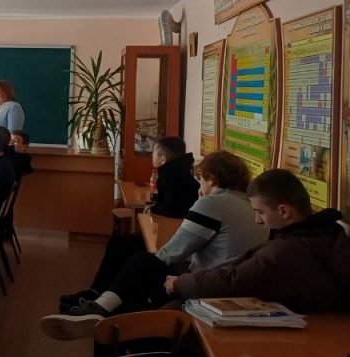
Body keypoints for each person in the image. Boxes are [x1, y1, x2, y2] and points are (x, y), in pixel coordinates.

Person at [41, 151, 268, 338]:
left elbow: (172, 254)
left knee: (142, 263)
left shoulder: (213, 203)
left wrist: (152, 269)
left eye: (200, 180)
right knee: (136, 266)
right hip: (234, 289)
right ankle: (100, 309)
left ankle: (99, 312)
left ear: (212, 178)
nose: (199, 186)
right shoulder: (247, 204)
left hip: (205, 290)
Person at [166, 169, 350, 313]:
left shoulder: (289, 250)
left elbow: (232, 282)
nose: (257, 220)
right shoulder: (325, 233)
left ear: (284, 211)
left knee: (171, 314)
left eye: (260, 212)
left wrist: (179, 283)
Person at [59, 136, 199, 311]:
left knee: (123, 247)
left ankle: (100, 294)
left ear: (163, 159)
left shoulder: (171, 174)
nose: (151, 156)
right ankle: (101, 293)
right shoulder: (180, 171)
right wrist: (156, 206)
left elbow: (172, 208)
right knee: (121, 244)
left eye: (154, 153)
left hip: (171, 241)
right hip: (173, 234)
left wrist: (155, 208)